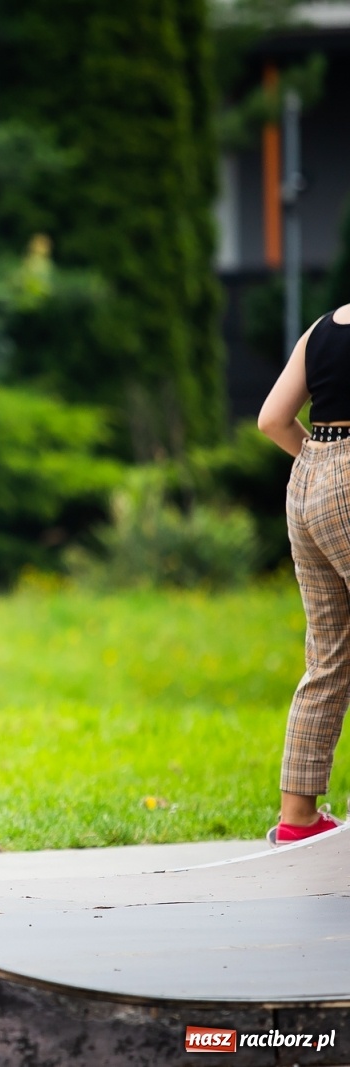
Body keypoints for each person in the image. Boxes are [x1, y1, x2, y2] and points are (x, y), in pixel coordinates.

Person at [257, 301, 350, 845]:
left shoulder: (321, 329)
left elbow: (272, 419)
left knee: (328, 655)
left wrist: (325, 468)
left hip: (309, 478)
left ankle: (298, 819)